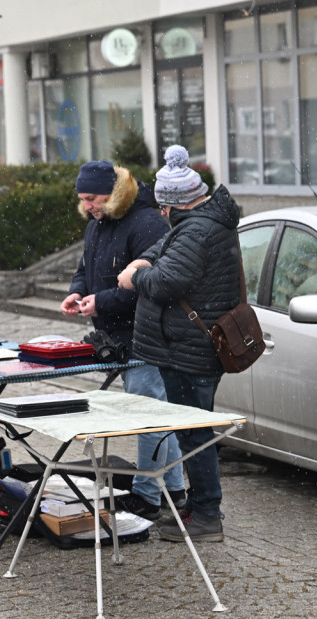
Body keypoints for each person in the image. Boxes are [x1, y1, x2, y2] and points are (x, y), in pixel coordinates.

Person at [117, 145, 242, 542]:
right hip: (187, 348)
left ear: (171, 207)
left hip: (191, 351)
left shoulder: (200, 229)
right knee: (192, 431)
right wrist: (144, 259)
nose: (160, 216)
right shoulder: (199, 224)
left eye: (161, 209)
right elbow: (169, 251)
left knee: (194, 433)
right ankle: (196, 508)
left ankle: (206, 515)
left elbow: (169, 281)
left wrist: (134, 279)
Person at [60, 160, 186, 520]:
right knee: (158, 414)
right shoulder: (97, 223)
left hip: (145, 334)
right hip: (116, 333)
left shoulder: (146, 224)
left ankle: (148, 496)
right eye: (83, 199)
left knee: (148, 416)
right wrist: (78, 292)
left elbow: (148, 286)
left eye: (93, 198)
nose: (88, 206)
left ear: (113, 194)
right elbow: (85, 269)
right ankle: (174, 491)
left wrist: (101, 301)